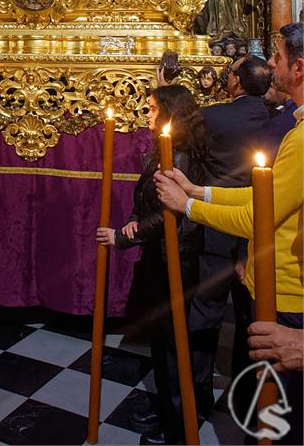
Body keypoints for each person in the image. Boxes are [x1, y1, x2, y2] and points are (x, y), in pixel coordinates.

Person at [155, 22, 303, 445]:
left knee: (281, 426)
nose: (271, 63)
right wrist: (197, 191)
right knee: (268, 416)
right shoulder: (293, 126)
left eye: (276, 56)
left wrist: (186, 206)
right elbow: (260, 198)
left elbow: (260, 214)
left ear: (298, 67)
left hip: (289, 297)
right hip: (272, 286)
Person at [97, 85, 205, 444]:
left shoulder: (182, 156)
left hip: (176, 256)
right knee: (160, 341)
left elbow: (169, 215)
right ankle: (164, 406)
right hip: (158, 256)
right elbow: (146, 197)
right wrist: (131, 218)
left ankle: (176, 423)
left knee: (173, 343)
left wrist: (124, 236)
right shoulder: (162, 150)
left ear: (170, 112)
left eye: (152, 108)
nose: (146, 114)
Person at [187, 54, 272, 417]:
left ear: (236, 81)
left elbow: (190, 142)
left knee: (206, 310)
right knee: (251, 315)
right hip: (261, 226)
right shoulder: (278, 118)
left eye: (229, 73)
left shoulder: (215, 116)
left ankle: (197, 398)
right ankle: (246, 394)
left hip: (220, 220)